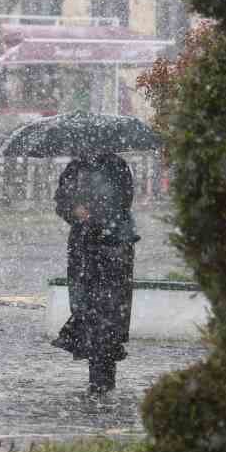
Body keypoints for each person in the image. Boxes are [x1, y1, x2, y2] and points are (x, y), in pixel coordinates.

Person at [52, 151, 139, 394]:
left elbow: (123, 201)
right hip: (84, 247)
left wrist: (96, 213)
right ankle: (98, 370)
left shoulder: (116, 166)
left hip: (114, 246)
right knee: (87, 308)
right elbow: (61, 201)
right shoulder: (75, 168)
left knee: (109, 311)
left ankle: (103, 372)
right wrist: (74, 209)